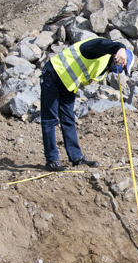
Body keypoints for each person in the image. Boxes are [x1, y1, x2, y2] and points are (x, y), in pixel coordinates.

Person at [40, 38, 130, 171]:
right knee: (50, 119)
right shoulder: (98, 50)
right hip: (52, 75)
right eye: (123, 65)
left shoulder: (104, 67)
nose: (120, 70)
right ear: (120, 56)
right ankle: (52, 159)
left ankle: (76, 157)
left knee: (68, 120)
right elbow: (102, 44)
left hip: (68, 85)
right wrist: (120, 47)